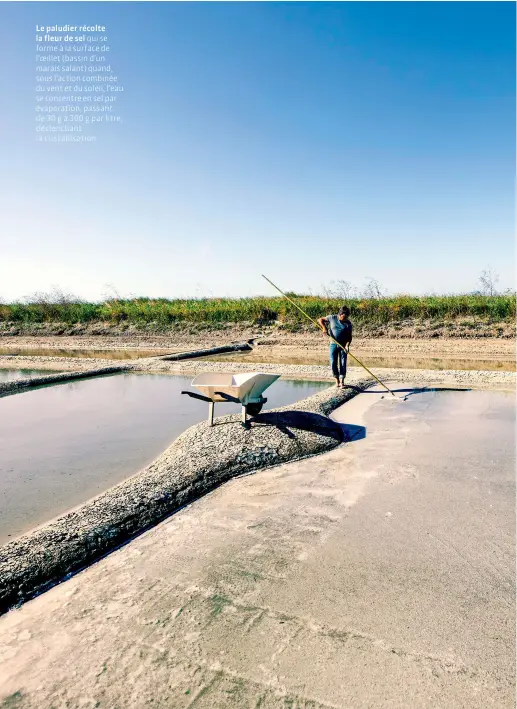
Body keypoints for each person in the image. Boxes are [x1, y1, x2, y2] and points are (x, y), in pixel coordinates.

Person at [317, 306, 352, 387]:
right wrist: (324, 327)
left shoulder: (348, 323)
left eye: (347, 317)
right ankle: (337, 380)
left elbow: (349, 337)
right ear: (340, 314)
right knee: (333, 362)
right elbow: (320, 319)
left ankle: (342, 381)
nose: (345, 319)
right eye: (344, 317)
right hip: (333, 344)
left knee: (343, 363)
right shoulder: (332, 318)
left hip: (343, 345)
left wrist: (347, 346)